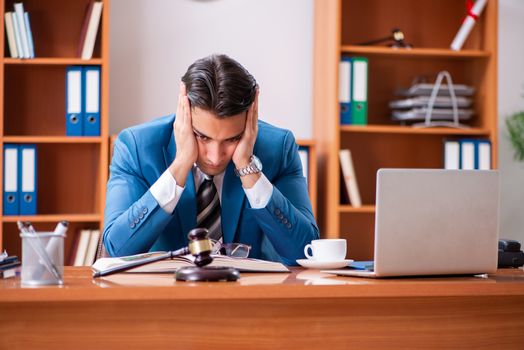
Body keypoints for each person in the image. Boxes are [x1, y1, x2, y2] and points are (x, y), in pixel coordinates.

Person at [103, 54, 319, 265]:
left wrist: (247, 167)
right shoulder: (136, 147)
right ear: (183, 110)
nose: (215, 157)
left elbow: (304, 251)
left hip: (249, 296)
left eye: (232, 139)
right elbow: (117, 250)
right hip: (164, 297)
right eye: (203, 137)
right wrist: (179, 166)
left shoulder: (278, 148)